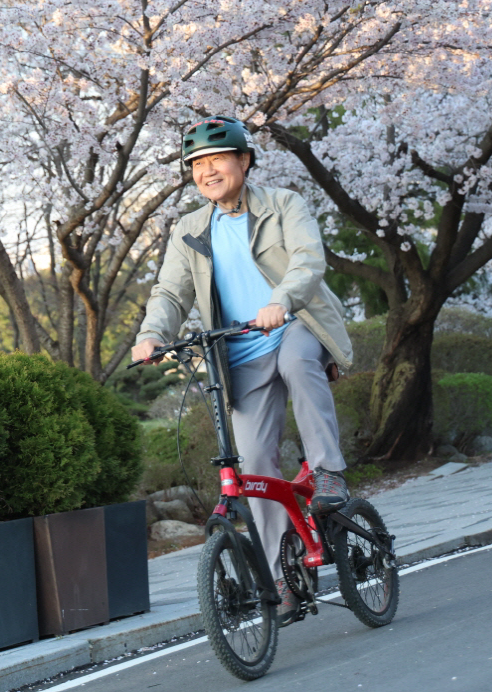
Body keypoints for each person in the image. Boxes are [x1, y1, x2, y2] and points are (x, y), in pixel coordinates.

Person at [131, 115, 354, 626]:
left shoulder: (284, 205)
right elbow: (169, 293)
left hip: (295, 325)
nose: (208, 171)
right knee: (253, 466)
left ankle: (329, 472)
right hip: (241, 352)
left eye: (218, 160)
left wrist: (281, 300)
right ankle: (283, 576)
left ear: (244, 162)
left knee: (300, 364)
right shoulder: (189, 230)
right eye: (198, 165)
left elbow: (307, 260)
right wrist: (151, 335)